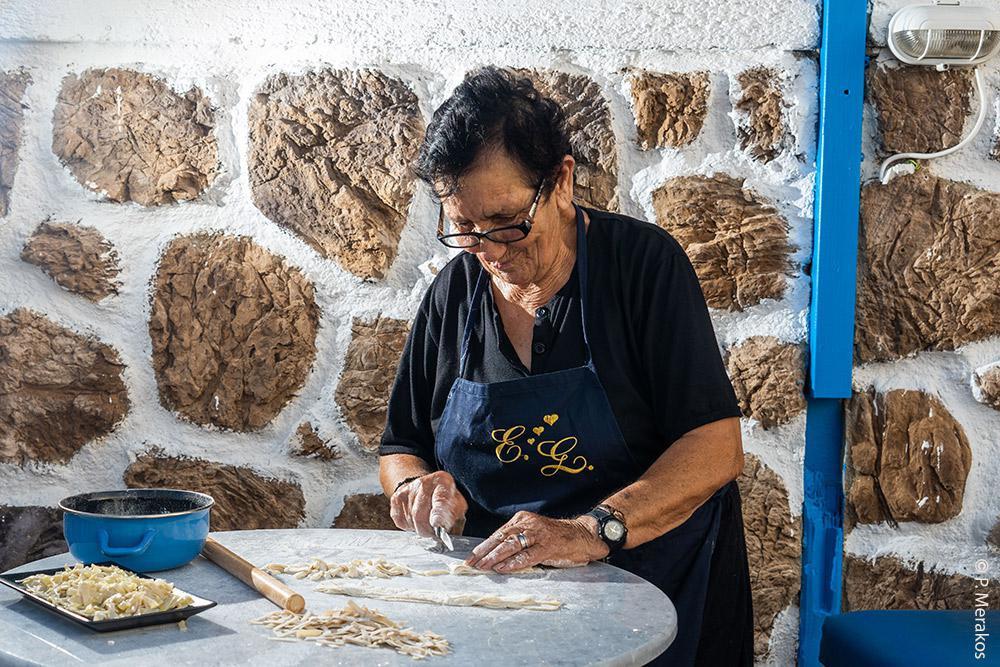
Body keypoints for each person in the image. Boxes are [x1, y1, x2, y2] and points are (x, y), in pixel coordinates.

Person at [378, 66, 753, 666]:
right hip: (503, 607)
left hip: (656, 592)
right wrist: (416, 489)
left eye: (508, 223)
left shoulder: (642, 268)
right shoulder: (454, 291)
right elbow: (402, 444)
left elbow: (715, 446)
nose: (492, 252)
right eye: (467, 230)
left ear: (561, 181)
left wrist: (590, 531)